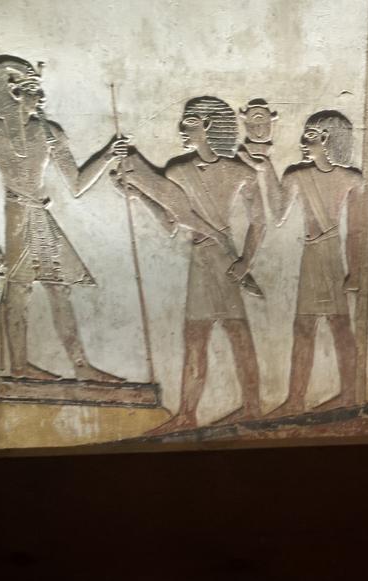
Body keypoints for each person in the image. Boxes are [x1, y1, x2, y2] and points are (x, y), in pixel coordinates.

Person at [0, 55, 128, 382]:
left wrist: (108, 155)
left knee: (58, 289)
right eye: (33, 90)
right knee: (19, 289)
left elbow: (77, 183)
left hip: (40, 215)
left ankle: (80, 365)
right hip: (17, 215)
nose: (41, 97)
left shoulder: (49, 132)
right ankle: (19, 366)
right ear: (15, 93)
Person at [116, 96, 267, 434]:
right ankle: (187, 414)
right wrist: (140, 195)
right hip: (201, 259)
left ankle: (253, 408)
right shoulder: (177, 171)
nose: (180, 128)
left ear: (208, 125)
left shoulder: (240, 173)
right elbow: (172, 222)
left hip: (225, 261)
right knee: (196, 336)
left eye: (188, 122)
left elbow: (259, 222)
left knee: (238, 333)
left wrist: (246, 261)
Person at [273, 111, 362, 415]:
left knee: (340, 325)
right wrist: (264, 168)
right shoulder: (296, 176)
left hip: (332, 257)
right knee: (304, 326)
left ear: (327, 138)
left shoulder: (351, 179)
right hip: (311, 255)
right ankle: (296, 399)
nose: (302, 141)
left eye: (309, 135)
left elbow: (357, 230)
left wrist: (355, 272)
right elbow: (278, 214)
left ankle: (350, 394)